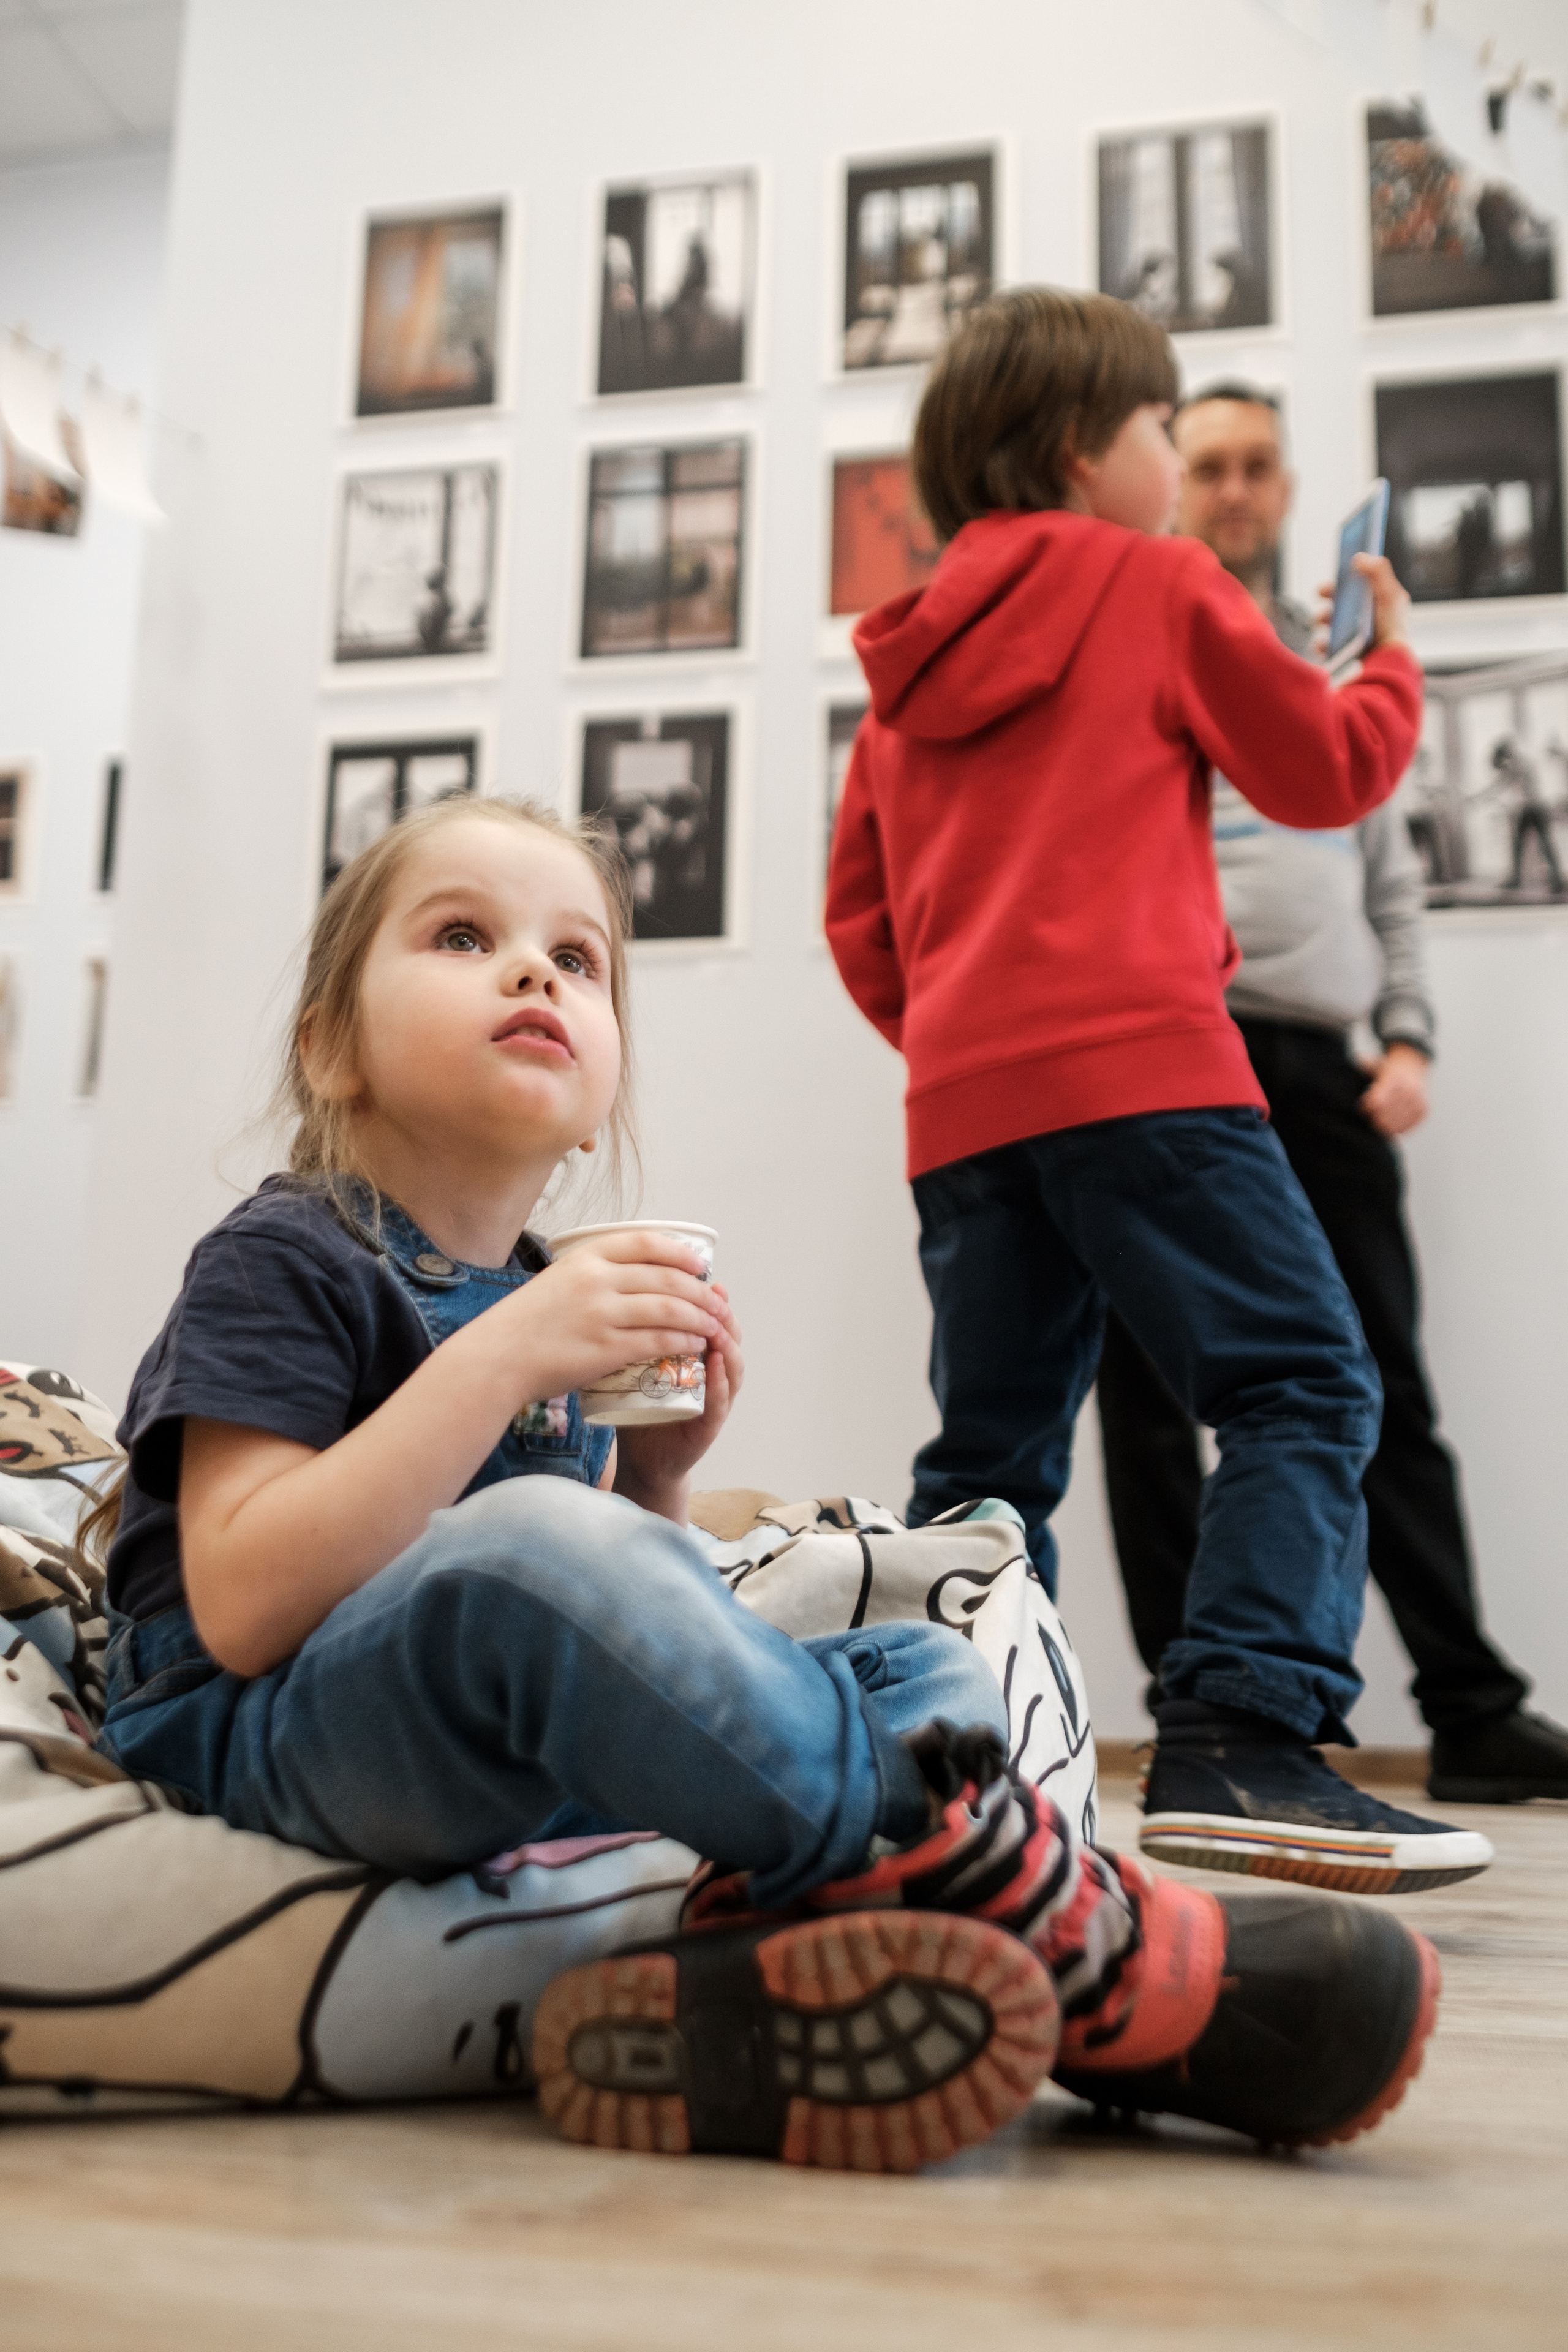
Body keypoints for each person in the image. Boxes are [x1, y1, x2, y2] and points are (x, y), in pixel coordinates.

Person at [88, 793, 1439, 2169]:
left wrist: (656, 1485)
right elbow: (248, 1603)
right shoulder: (287, 1256)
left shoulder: (548, 1298)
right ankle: (1035, 1909)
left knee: (921, 1669)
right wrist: (502, 1367)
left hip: (490, 1765)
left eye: (577, 959)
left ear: (599, 1095)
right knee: (539, 1543)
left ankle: (745, 1972)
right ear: (330, 1050)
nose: (533, 971)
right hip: (259, 1740)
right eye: (462, 937)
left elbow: (589, 1641)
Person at [825, 287, 1494, 1897]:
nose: (1172, 456)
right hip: (1151, 1080)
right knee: (1304, 1385)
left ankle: (948, 1780)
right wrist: (1390, 661)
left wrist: (970, 1043)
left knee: (988, 1463)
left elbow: (859, 919)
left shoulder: (904, 664)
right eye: (1157, 425)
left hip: (967, 1119)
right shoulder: (1157, 579)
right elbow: (1324, 769)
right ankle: (1242, 1737)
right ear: (1083, 446)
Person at [1095, 385, 1568, 1806]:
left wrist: (1405, 1040)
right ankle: (1204, 1717)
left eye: (1256, 465)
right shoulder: (1133, 644)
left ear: (1287, 486)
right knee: (1146, 1394)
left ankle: (1469, 1709)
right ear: (1171, 483)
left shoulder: (1324, 658)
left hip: (1319, 1066)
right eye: (1207, 465)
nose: (1234, 489)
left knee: (1380, 1384)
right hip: (1167, 1055)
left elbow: (1389, 875)